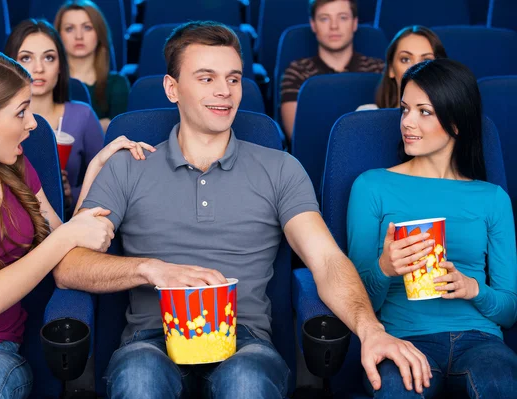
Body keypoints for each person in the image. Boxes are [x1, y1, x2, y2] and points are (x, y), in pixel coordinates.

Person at [53, 21, 433, 399]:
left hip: (244, 341)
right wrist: (149, 268)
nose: (225, 91)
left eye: (233, 79)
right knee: (139, 378)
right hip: (150, 339)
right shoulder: (127, 166)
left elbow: (327, 260)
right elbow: (68, 266)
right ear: (173, 88)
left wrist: (371, 330)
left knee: (247, 382)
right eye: (206, 78)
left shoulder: (280, 167)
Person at [0, 46, 154, 398]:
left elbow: (65, 240)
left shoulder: (15, 164)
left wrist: (95, 172)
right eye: (21, 112)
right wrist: (65, 238)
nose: (32, 124)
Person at [347, 58, 517, 398]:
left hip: (479, 338)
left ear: (455, 122)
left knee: (497, 382)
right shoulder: (372, 186)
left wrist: (474, 289)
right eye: (405, 109)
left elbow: (509, 310)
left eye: (424, 112)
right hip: (402, 339)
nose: (407, 122)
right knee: (399, 389)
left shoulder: (492, 198)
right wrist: (385, 267)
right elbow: (358, 302)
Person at [5, 19, 105, 218]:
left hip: (70, 221)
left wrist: (70, 195)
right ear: (10, 65)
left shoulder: (82, 115)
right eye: (26, 58)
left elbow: (107, 181)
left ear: (60, 66)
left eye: (49, 58)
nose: (39, 68)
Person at [280, 0, 384, 139]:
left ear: (354, 23)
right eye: (324, 18)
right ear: (313, 24)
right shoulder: (297, 72)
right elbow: (297, 137)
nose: (334, 26)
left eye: (342, 17)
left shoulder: (378, 69)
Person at [55, 0, 130, 131]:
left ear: (99, 33)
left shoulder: (117, 83)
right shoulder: (51, 82)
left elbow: (118, 131)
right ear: (59, 36)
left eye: (87, 27)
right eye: (69, 29)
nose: (79, 36)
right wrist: (100, 124)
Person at [357, 26, 446, 111]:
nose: (416, 68)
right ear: (391, 69)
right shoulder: (365, 115)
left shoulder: (452, 118)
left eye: (426, 60)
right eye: (405, 59)